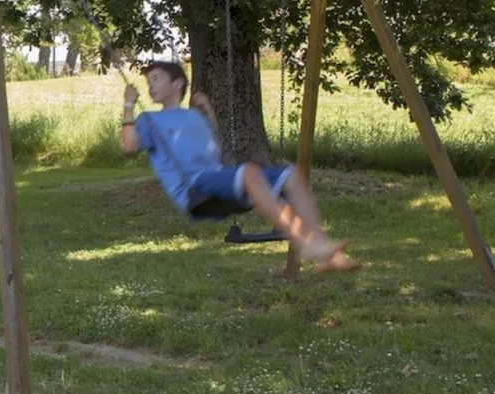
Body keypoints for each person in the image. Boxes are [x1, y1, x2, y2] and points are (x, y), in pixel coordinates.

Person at [119, 60, 360, 273]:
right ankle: (307, 244)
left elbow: (214, 149)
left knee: (292, 175)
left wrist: (206, 109)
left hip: (216, 179)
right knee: (250, 172)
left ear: (177, 84)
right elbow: (129, 147)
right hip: (195, 189)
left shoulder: (193, 116)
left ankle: (326, 251)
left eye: (156, 78)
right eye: (149, 81)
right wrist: (129, 104)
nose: (150, 85)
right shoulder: (150, 119)